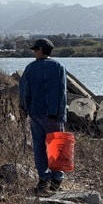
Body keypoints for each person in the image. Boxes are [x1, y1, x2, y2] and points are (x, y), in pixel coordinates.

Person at [18, 38, 68, 195]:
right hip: (54, 114)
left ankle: (43, 178)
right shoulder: (59, 67)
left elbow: (24, 91)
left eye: (35, 50)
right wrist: (62, 114)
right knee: (56, 147)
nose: (34, 53)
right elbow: (63, 93)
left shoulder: (31, 68)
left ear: (40, 50)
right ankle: (57, 179)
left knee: (39, 147)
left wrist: (24, 109)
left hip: (36, 113)